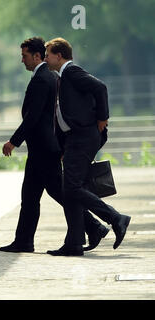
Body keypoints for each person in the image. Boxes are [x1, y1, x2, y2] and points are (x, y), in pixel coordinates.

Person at [0, 37, 109, 254]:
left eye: (24, 56)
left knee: (61, 191)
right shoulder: (49, 76)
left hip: (45, 148)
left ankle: (95, 226)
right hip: (44, 147)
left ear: (37, 56)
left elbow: (34, 117)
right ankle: (24, 240)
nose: (22, 60)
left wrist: (14, 141)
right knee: (31, 195)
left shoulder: (43, 78)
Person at [44, 37, 131, 256]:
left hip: (84, 136)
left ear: (59, 55)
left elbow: (100, 87)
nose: (45, 59)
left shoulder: (71, 72)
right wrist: (64, 147)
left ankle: (115, 218)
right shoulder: (62, 77)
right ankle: (74, 243)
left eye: (48, 55)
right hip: (76, 138)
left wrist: (103, 117)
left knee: (71, 187)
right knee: (70, 189)